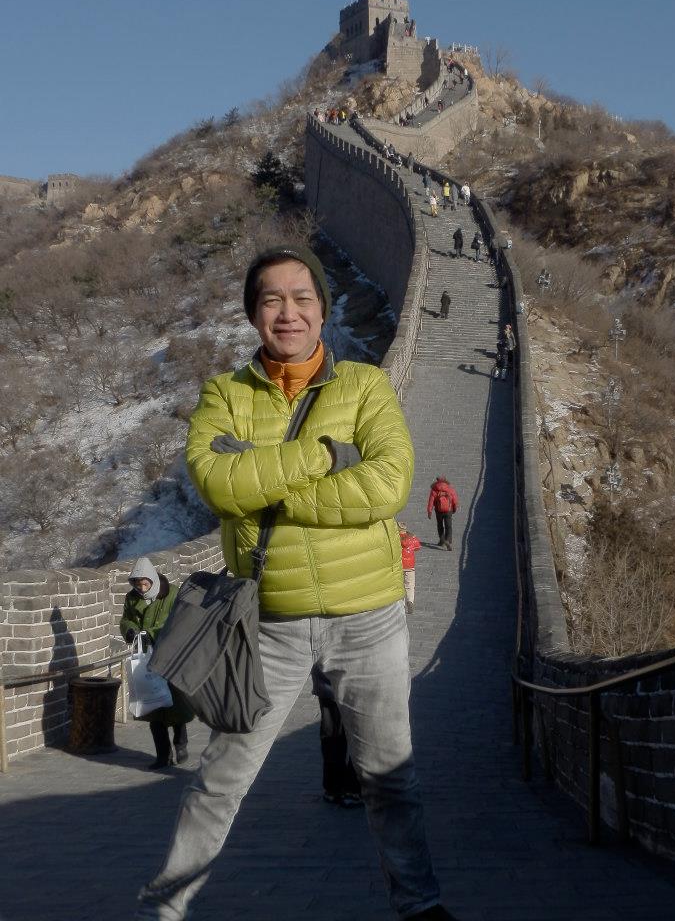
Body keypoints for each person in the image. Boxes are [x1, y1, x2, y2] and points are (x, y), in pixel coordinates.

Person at [135, 244, 457, 921]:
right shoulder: (225, 395)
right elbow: (218, 485)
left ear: (322, 307)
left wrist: (266, 483)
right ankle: (162, 910)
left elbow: (387, 486)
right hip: (268, 622)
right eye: (272, 299)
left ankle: (420, 907)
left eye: (302, 297)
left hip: (368, 618)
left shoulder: (366, 386)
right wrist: (326, 455)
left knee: (390, 780)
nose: (289, 312)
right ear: (254, 313)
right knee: (220, 781)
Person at [120, 558, 192, 770]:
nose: (142, 589)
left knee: (175, 706)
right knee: (153, 708)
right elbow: (126, 619)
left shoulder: (172, 594)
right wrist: (130, 630)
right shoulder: (132, 598)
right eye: (138, 584)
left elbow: (181, 621)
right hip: (147, 658)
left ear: (152, 580)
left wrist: (151, 633)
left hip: (171, 656)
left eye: (145, 584)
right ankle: (163, 756)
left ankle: (180, 742)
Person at [311, 665, 362, 808]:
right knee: (357, 733)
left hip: (328, 678)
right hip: (357, 681)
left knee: (332, 733)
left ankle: (334, 788)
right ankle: (352, 789)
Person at [427, 477, 459, 551]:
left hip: (438, 511)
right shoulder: (450, 489)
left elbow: (431, 501)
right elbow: (455, 500)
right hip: (448, 510)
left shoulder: (434, 490)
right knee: (448, 526)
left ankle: (442, 540)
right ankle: (448, 540)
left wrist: (429, 511)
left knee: (440, 525)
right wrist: (454, 508)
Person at [398, 522, 421, 614]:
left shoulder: (395, 537)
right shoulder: (412, 537)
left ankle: (402, 604)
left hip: (399, 565)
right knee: (410, 585)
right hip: (410, 566)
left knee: (399, 585)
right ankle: (410, 601)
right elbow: (418, 548)